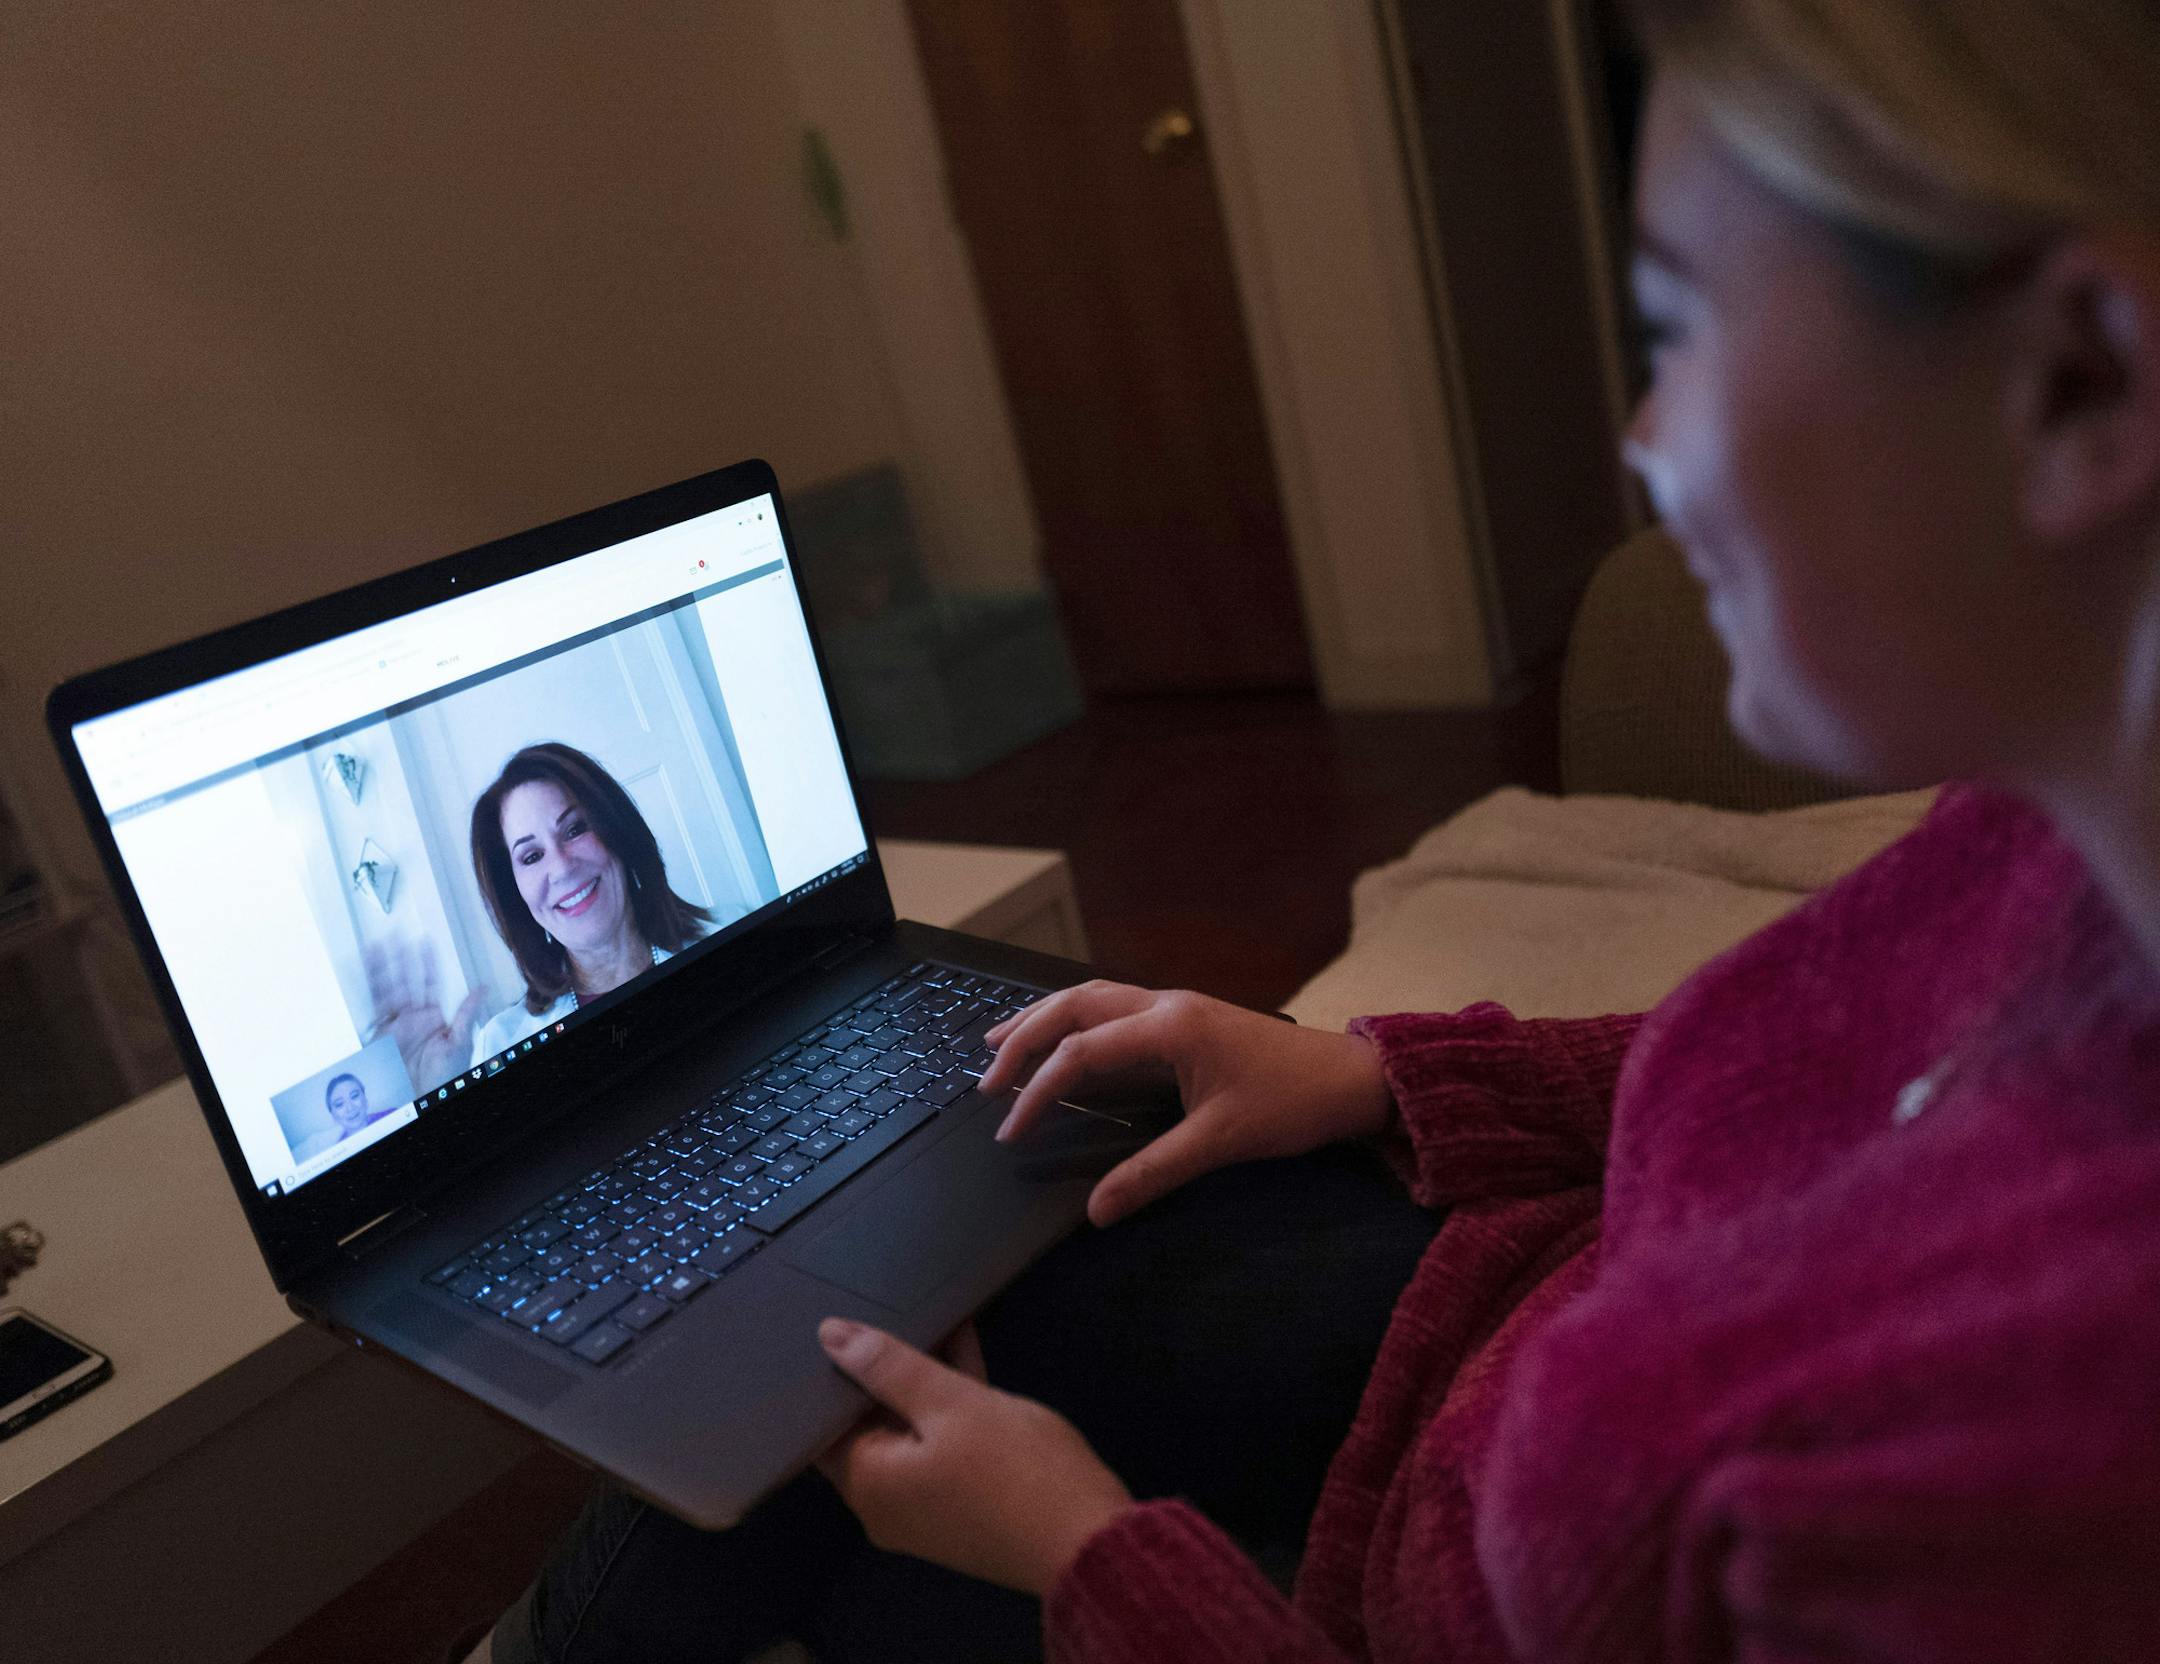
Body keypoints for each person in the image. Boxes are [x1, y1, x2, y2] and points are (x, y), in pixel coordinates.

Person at [471, 1, 2160, 1657]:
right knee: (939, 1261)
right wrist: (1370, 1075)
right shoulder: (2051, 844)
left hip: (1393, 1568)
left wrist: (1083, 1559)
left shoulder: (2033, 1457)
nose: (1644, 452)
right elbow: (1815, 1058)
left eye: (1682, 330)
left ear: (2086, 374)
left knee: (778, 1504)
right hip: (1475, 1328)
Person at [369, 743, 712, 1097]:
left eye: (575, 829)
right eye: (532, 856)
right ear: (515, 893)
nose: (562, 867)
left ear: (617, 832)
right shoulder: (500, 1047)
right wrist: (434, 1101)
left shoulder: (728, 937)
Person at [288, 1070, 385, 1163]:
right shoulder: (337, 1154)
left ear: (365, 1099)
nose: (350, 1108)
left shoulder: (391, 1116)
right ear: (333, 1116)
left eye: (354, 1096)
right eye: (339, 1104)